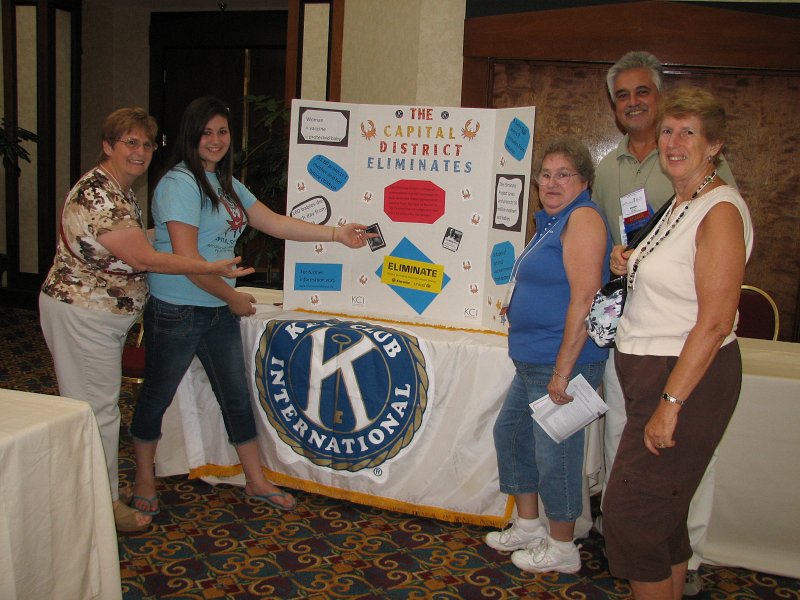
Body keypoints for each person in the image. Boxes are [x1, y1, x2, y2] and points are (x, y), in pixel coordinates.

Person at [129, 96, 373, 516]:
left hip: (215, 306)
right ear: (191, 135)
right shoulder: (179, 184)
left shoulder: (224, 183)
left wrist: (336, 234)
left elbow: (274, 222)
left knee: (237, 397)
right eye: (206, 132)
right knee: (157, 396)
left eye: (222, 132)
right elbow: (188, 263)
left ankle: (255, 480)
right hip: (179, 308)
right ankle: (143, 480)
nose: (215, 140)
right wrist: (233, 298)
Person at [39, 107, 254, 533]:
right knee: (97, 412)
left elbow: (139, 240)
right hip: (84, 315)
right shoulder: (100, 193)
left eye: (146, 144)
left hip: (100, 317)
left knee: (95, 410)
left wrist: (185, 235)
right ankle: (101, 507)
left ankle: (86, 495)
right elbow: (139, 256)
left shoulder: (120, 190)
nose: (139, 152)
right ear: (107, 146)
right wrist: (208, 266)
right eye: (129, 143)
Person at [592, 51, 736, 595]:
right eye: (669, 133)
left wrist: (670, 405)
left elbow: (716, 319)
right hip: (646, 367)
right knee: (662, 515)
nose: (673, 143)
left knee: (630, 514)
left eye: (688, 134)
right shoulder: (680, 202)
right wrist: (628, 262)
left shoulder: (717, 208)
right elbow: (656, 259)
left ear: (714, 146)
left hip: (682, 375)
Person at [484, 138, 612, 573]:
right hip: (534, 359)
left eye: (564, 175)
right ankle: (529, 525)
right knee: (512, 434)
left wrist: (562, 371)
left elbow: (584, 299)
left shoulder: (583, 219)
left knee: (554, 453)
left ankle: (562, 548)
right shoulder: (551, 222)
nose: (552, 182)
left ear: (584, 182)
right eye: (546, 174)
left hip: (563, 361)